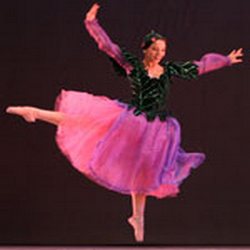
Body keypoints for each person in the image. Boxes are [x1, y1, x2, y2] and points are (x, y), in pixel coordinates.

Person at [6, 3, 243, 242]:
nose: (161, 54)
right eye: (157, 49)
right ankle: (34, 111)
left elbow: (197, 67)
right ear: (148, 49)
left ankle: (138, 218)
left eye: (163, 50)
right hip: (132, 120)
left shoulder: (169, 70)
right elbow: (108, 47)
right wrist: (91, 23)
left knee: (142, 172)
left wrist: (225, 60)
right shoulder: (134, 67)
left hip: (158, 129)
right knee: (85, 120)